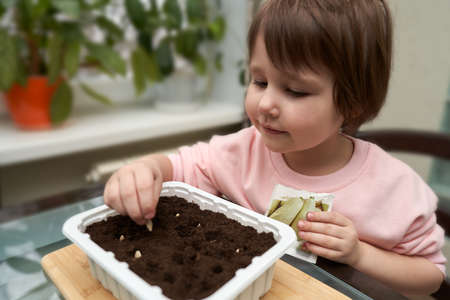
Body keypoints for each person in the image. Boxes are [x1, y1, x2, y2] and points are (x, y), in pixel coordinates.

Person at [104, 0, 446, 296]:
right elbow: (178, 168)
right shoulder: (243, 152)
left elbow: (430, 278)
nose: (266, 103)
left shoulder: (394, 188)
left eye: (295, 91)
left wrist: (359, 255)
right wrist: (145, 170)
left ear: (353, 103)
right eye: (259, 81)